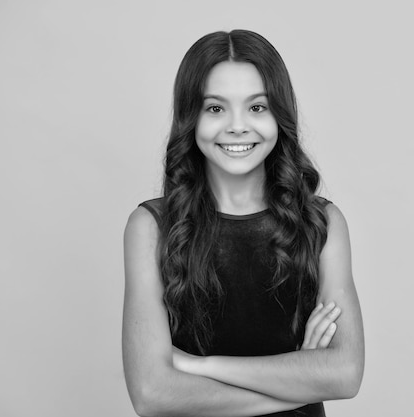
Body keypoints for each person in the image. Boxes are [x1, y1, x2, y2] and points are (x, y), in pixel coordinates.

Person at [122, 29, 364, 417]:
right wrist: (297, 378)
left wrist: (200, 365)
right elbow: (152, 393)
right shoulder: (150, 228)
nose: (237, 126)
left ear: (279, 115)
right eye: (215, 108)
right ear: (191, 117)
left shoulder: (322, 224)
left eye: (257, 107)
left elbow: (346, 374)